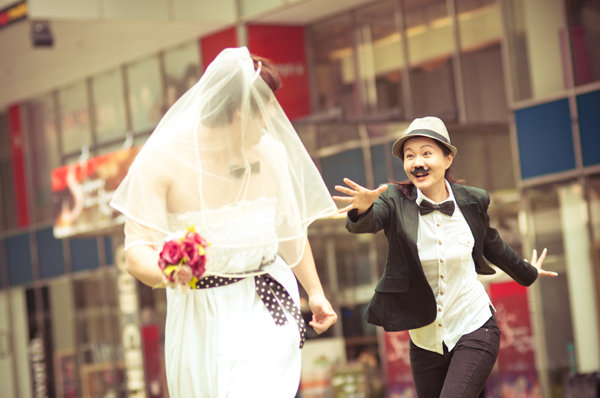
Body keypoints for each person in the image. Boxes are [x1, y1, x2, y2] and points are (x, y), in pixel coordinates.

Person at [110, 47, 338, 397]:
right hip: (202, 313)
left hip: (265, 302)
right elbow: (136, 252)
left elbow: (289, 231)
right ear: (239, 111)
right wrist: (167, 272)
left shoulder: (270, 153)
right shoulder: (160, 161)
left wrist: (316, 292)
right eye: (264, 111)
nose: (271, 121)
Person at [332, 116, 557, 398]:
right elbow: (368, 222)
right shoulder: (394, 200)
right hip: (425, 340)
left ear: (448, 158)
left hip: (474, 325)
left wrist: (528, 271)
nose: (417, 162)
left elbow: (492, 244)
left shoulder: (472, 201)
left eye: (427, 153)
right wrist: (362, 209)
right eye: (410, 156)